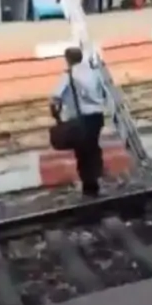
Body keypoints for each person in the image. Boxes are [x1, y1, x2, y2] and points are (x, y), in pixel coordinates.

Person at [50, 47, 106, 198]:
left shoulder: (68, 76)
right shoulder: (94, 73)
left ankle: (89, 186)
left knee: (82, 153)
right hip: (97, 117)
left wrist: (58, 118)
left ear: (67, 59)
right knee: (93, 148)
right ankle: (96, 181)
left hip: (81, 120)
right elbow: (105, 92)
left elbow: (55, 98)